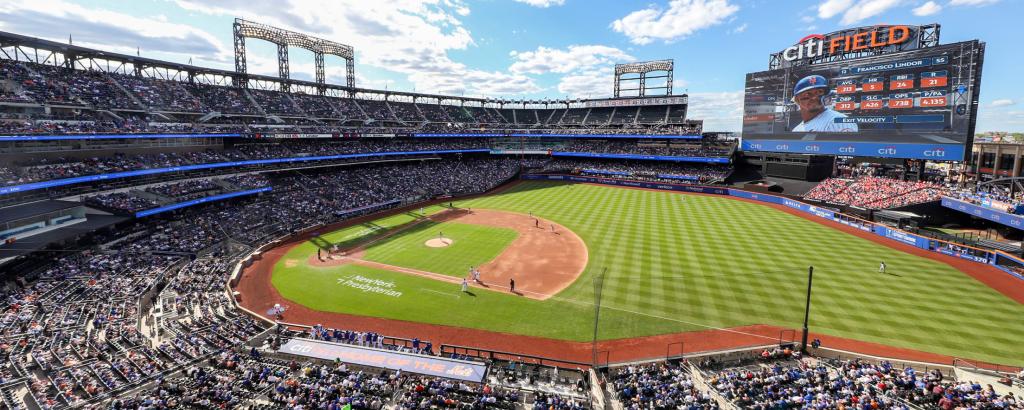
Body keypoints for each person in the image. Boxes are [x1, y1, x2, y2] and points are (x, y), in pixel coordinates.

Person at [791, 74, 858, 132]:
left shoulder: (839, 120)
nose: (814, 97)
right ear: (797, 100)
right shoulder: (797, 130)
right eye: (807, 94)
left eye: (819, 92)